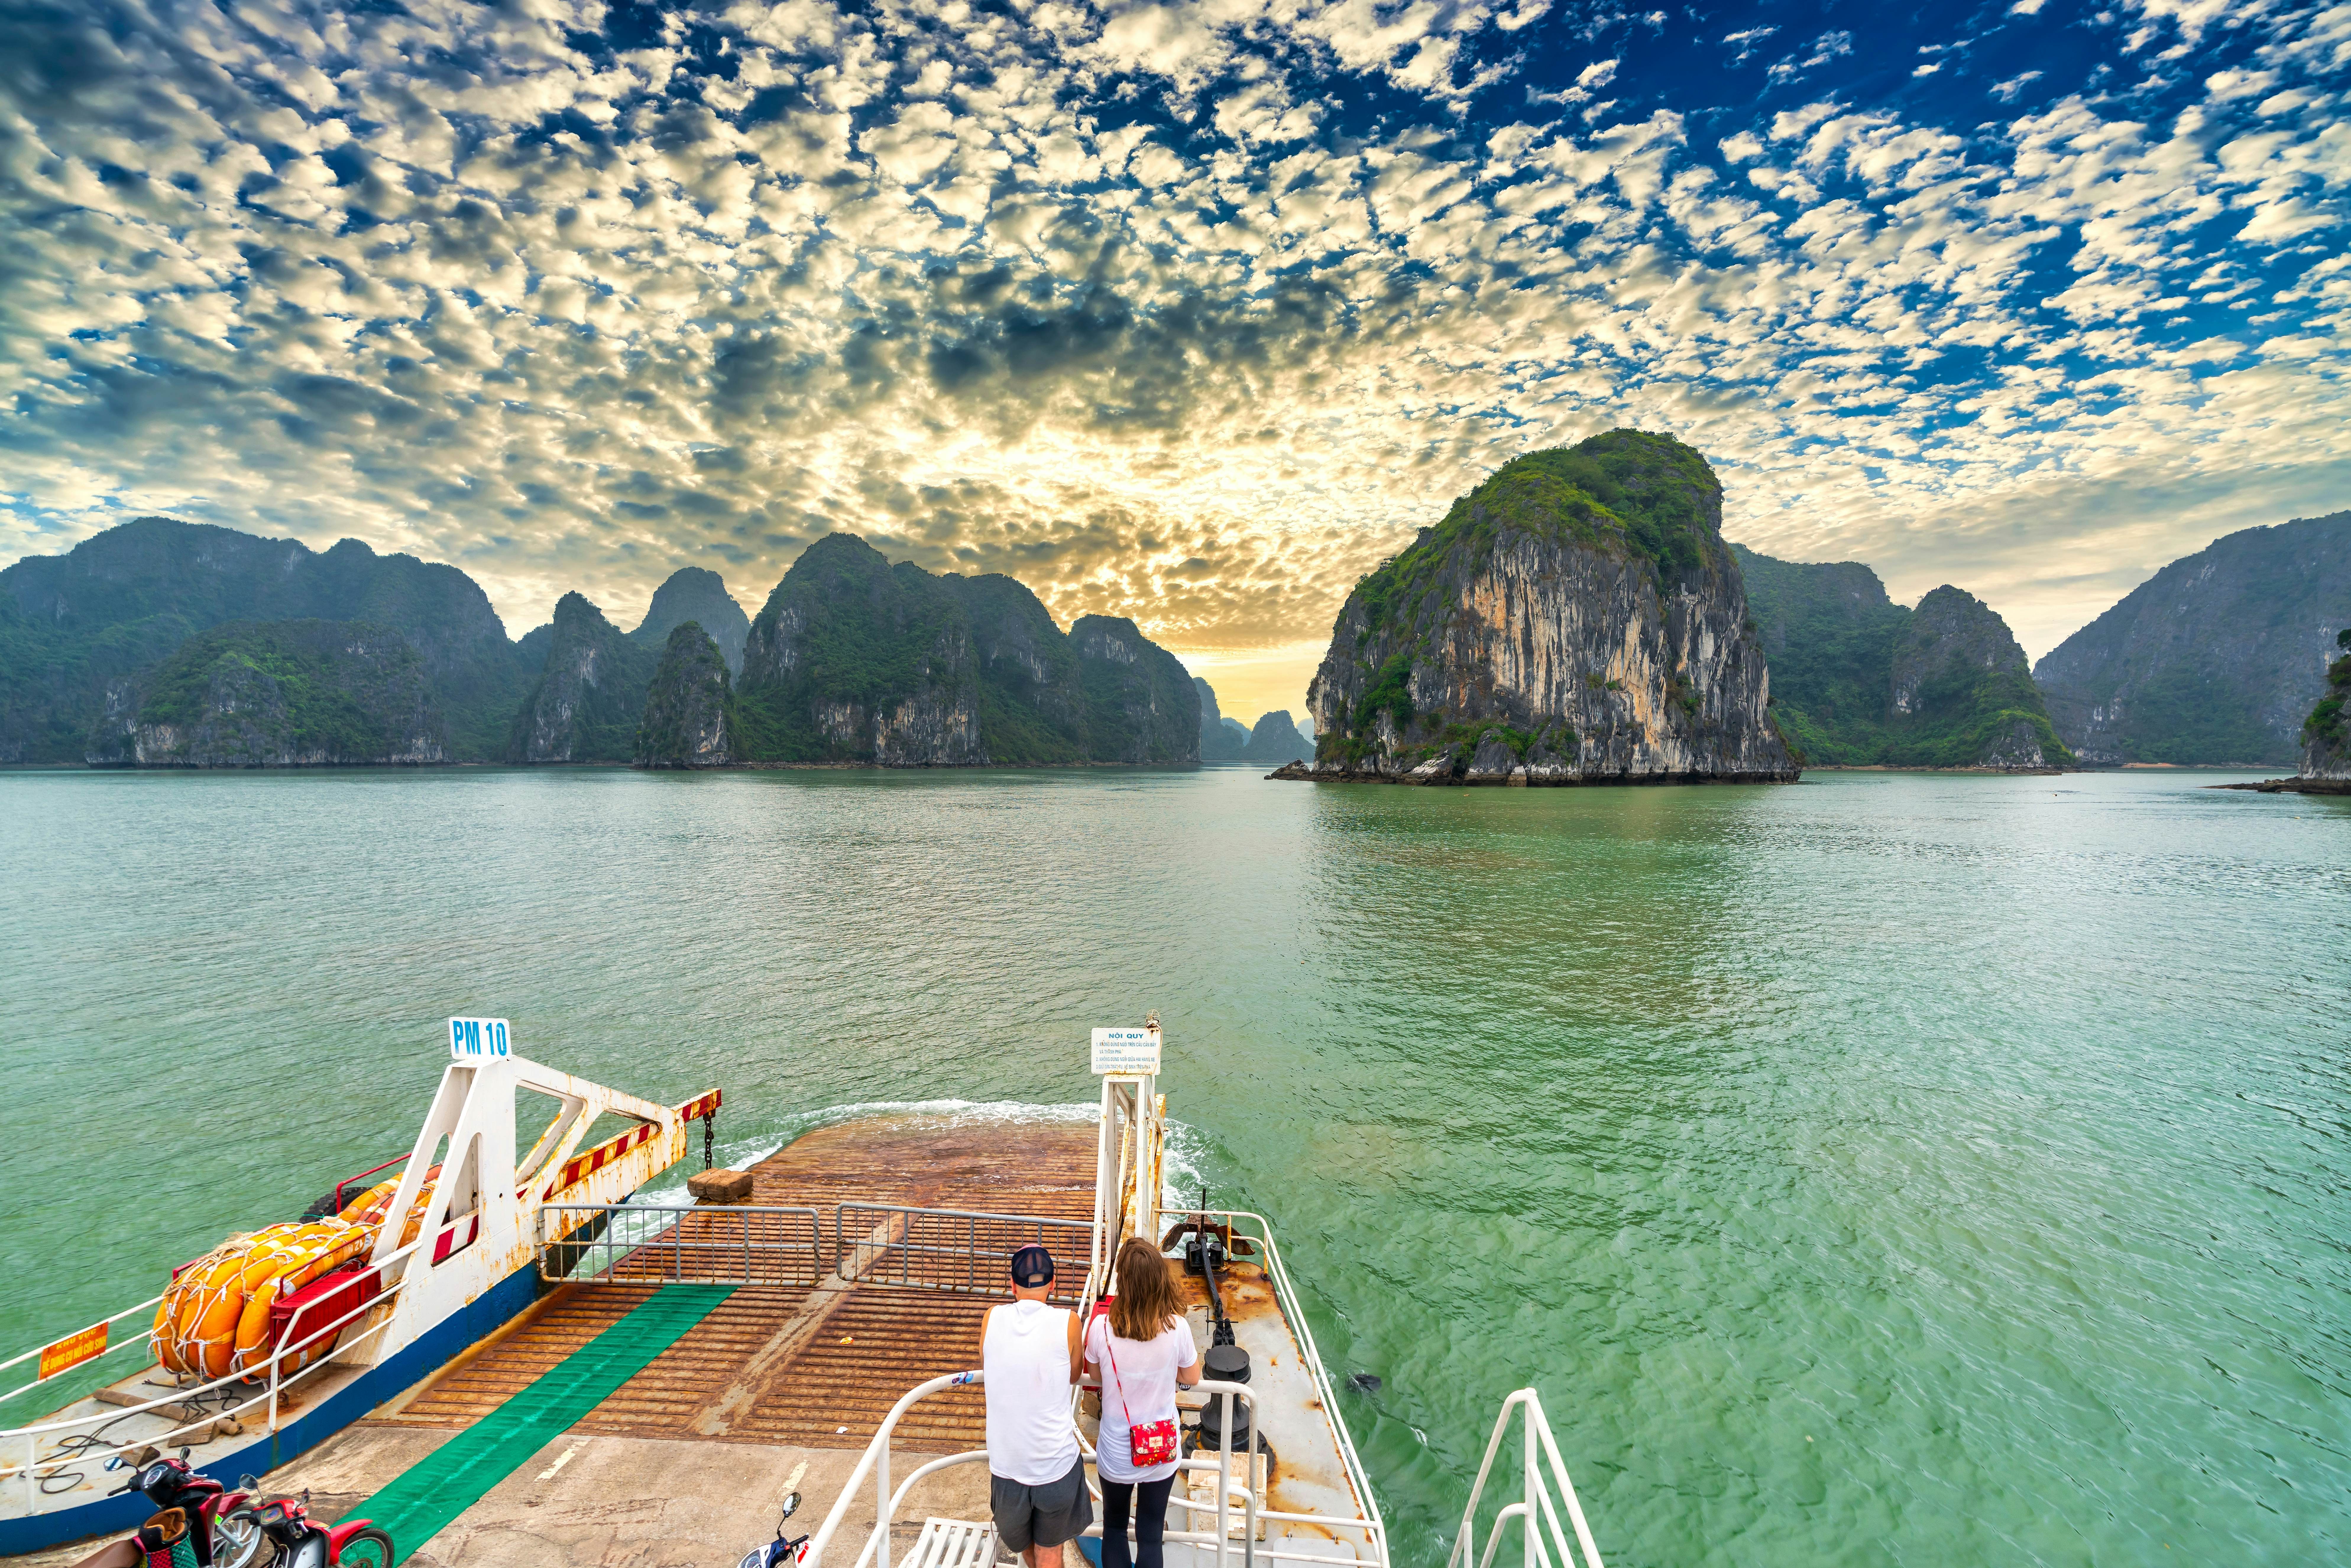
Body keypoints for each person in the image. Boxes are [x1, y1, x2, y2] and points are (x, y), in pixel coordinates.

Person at [1083, 1237, 1202, 1568]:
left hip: (1117, 1451)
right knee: (1151, 1535)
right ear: (1158, 1278)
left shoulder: (1101, 1328)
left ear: (1123, 1280)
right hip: (1160, 1449)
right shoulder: (1176, 1328)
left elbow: (1094, 1375)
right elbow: (1191, 1378)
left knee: (1115, 1529)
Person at [983, 1243, 1092, 1568]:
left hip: (1007, 1468)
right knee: (1050, 1553)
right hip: (1055, 1466)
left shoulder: (992, 1317)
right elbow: (1075, 1374)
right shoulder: (1069, 1322)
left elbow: (989, 1364)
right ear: (1053, 1283)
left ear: (1012, 1285)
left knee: (1026, 1550)